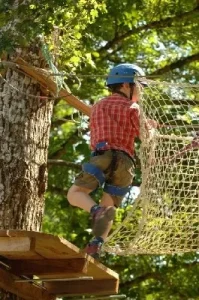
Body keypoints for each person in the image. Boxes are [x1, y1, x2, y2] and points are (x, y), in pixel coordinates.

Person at [67, 63, 147, 259]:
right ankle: (97, 243)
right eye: (139, 87)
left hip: (103, 155)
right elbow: (145, 135)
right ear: (127, 86)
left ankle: (94, 210)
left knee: (75, 193)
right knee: (109, 205)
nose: (141, 92)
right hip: (126, 163)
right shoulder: (133, 108)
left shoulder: (99, 106)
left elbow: (94, 131)